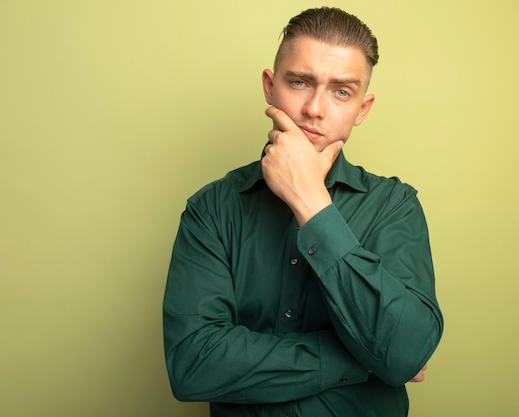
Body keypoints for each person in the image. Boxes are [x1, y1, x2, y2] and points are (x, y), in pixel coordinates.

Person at [163, 7, 443, 417]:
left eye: (341, 92)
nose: (315, 108)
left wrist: (312, 204)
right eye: (300, 82)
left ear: (361, 110)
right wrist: (363, 360)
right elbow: (193, 365)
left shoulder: (395, 207)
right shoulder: (211, 210)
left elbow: (404, 349)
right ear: (269, 86)